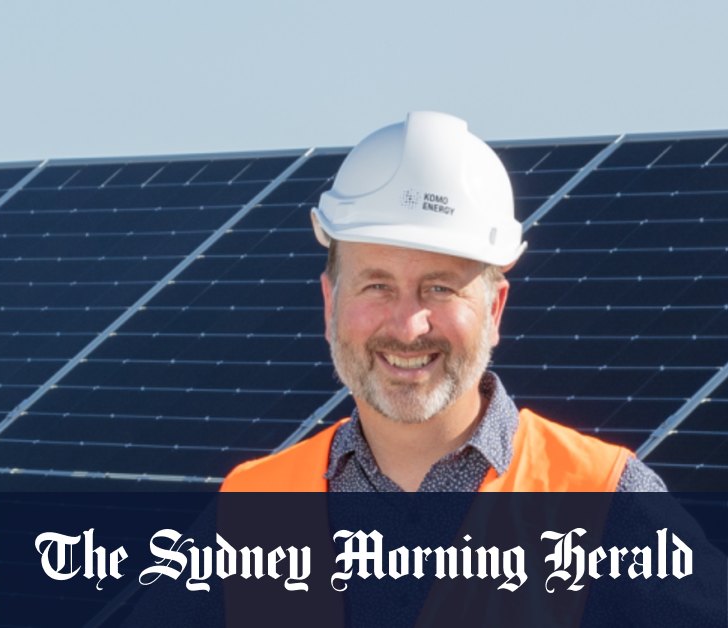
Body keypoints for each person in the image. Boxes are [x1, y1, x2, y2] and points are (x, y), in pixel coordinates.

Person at [222, 111, 665, 493]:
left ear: (494, 310)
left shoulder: (609, 498)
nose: (408, 327)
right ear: (329, 304)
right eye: (377, 286)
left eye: (440, 288)